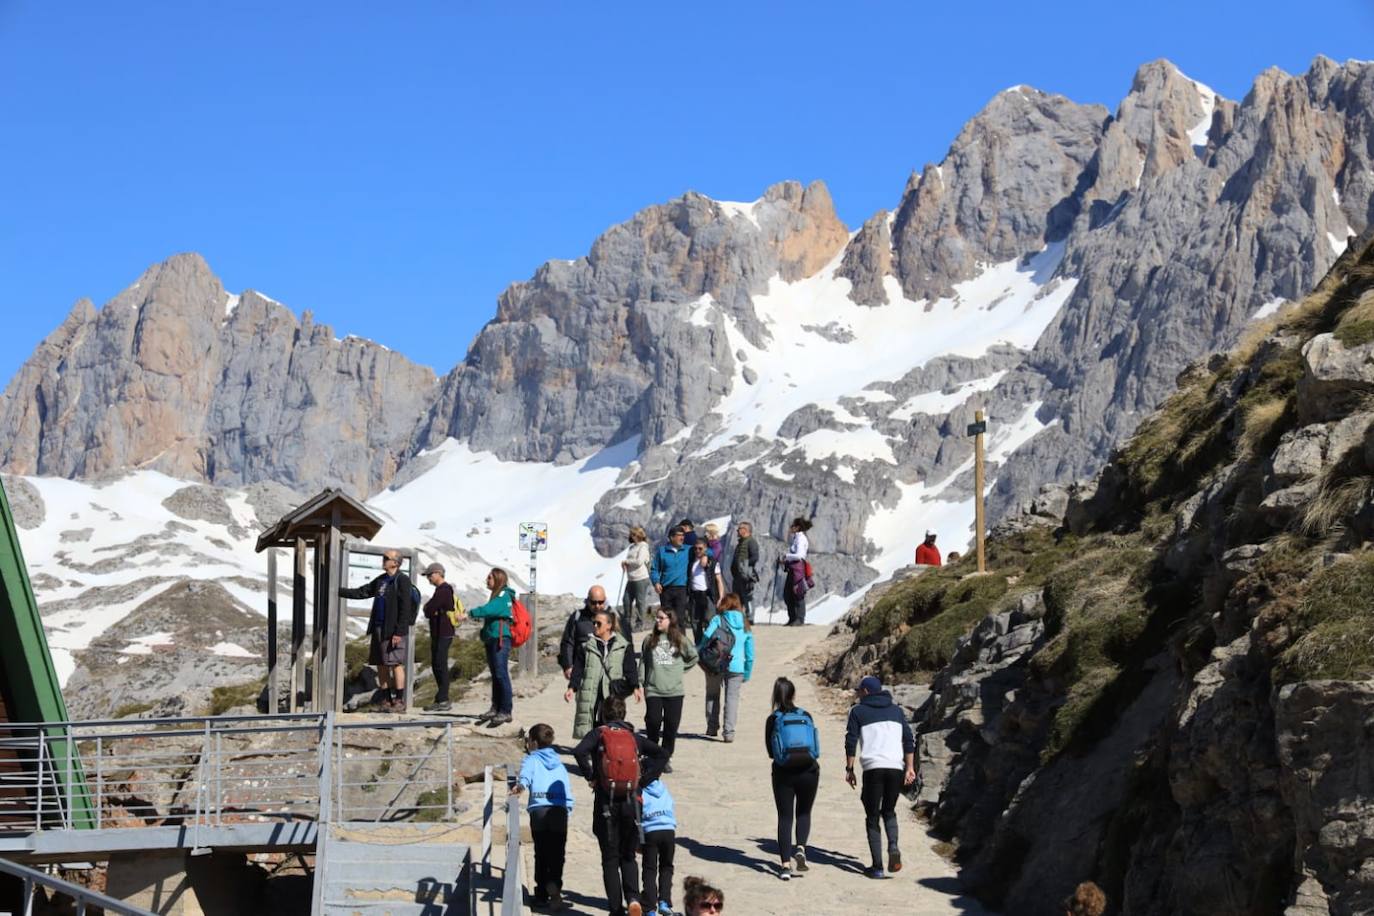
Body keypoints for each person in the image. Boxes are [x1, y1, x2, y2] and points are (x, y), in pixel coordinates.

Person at [573, 695, 668, 916]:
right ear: (624, 714)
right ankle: (634, 899)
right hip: (632, 803)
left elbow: (578, 752)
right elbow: (662, 754)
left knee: (609, 858)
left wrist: (592, 776)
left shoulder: (599, 734)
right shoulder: (634, 738)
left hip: (606, 803)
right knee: (628, 855)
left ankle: (616, 910)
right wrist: (643, 780)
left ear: (603, 715)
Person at [844, 675, 916, 879]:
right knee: (890, 811)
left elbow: (851, 740)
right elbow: (908, 740)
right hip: (895, 767)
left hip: (873, 768)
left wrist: (849, 769)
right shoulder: (896, 711)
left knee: (872, 815)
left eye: (859, 691)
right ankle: (893, 846)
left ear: (866, 692)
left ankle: (877, 867)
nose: (857, 694)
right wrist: (909, 768)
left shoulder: (858, 711)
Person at [339, 549, 417, 711]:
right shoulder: (381, 580)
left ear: (395, 563)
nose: (383, 560)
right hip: (378, 628)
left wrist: (399, 632)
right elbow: (364, 591)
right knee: (381, 664)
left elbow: (405, 608)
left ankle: (399, 701)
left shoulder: (402, 580)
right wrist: (339, 591)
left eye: (386, 558)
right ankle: (387, 700)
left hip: (393, 630)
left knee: (395, 663)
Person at [514, 723, 574, 911]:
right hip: (559, 810)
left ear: (533, 742)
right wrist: (567, 807)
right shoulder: (559, 763)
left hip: (539, 811)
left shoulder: (531, 759)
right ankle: (555, 888)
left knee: (541, 852)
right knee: (557, 853)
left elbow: (525, 776)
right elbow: (566, 786)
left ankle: (540, 895)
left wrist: (520, 787)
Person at [765, 677, 820, 881]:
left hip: (783, 773)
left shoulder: (773, 719)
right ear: (794, 694)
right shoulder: (806, 715)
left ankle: (785, 866)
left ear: (775, 696)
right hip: (809, 771)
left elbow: (771, 752)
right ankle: (801, 847)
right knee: (804, 812)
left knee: (785, 817)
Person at [565, 609, 639, 739]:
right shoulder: (586, 646)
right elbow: (578, 669)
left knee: (610, 724)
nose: (594, 626)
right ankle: (593, 752)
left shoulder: (623, 646)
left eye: (598, 623)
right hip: (591, 691)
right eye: (594, 623)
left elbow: (630, 668)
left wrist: (635, 687)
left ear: (609, 625)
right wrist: (572, 688)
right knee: (591, 724)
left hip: (611, 691)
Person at [639, 608, 697, 772]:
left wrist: (680, 669)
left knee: (671, 726)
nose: (658, 621)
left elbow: (693, 657)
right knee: (653, 722)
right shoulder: (649, 640)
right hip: (654, 689)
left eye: (661, 618)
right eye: (656, 618)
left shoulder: (680, 640)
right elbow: (643, 662)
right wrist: (641, 682)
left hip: (675, 691)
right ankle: (651, 754)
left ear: (670, 620)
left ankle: (665, 757)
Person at [699, 593, 754, 742]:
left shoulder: (718, 619)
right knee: (732, 699)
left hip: (716, 662)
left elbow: (707, 635)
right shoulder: (745, 623)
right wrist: (747, 672)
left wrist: (701, 649)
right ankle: (728, 733)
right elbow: (750, 653)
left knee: (712, 694)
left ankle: (712, 728)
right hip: (737, 666)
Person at [467, 568, 516, 727]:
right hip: (492, 638)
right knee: (495, 674)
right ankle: (496, 708)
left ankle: (506, 710)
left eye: (490, 578)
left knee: (501, 673)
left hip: (500, 638)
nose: (487, 580)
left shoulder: (503, 595)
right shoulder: (496, 595)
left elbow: (490, 610)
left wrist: (471, 613)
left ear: (498, 579)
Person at [559, 586, 634, 682]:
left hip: (611, 674)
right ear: (587, 600)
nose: (597, 606)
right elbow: (568, 643)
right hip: (584, 673)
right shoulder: (578, 617)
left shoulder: (616, 616)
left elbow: (627, 644)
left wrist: (630, 672)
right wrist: (568, 666)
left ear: (605, 600)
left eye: (600, 602)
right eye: (593, 602)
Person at [420, 562, 459, 712]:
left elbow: (429, 609)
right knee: (437, 664)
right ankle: (441, 698)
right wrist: (429, 609)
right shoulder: (441, 590)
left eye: (430, 575)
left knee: (440, 664)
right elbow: (429, 609)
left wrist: (429, 608)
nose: (428, 578)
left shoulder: (444, 589)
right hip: (439, 632)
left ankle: (443, 699)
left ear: (438, 573)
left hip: (443, 632)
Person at [639, 776, 678, 916]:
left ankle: (649, 908)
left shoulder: (640, 790)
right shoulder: (664, 789)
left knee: (650, 869)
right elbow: (672, 806)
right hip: (668, 831)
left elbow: (637, 814)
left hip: (651, 831)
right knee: (667, 867)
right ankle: (664, 902)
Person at [686, 540, 725, 642]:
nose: (697, 551)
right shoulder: (691, 562)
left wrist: (721, 597)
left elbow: (719, 581)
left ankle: (712, 645)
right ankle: (699, 645)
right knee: (695, 622)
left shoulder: (712, 562)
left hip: (707, 596)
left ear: (705, 549)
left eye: (700, 548)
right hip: (694, 595)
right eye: (695, 548)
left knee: (710, 622)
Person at [650, 526, 691, 620]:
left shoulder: (688, 549)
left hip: (682, 589)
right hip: (666, 590)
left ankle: (680, 635)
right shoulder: (662, 551)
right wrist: (656, 582)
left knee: (680, 619)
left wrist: (707, 556)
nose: (682, 538)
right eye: (679, 535)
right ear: (672, 537)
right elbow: (654, 569)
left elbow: (706, 550)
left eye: (683, 535)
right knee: (666, 618)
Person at [779, 517, 813, 626]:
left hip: (798, 570)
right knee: (788, 594)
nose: (790, 528)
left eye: (792, 526)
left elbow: (799, 555)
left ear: (797, 527)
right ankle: (792, 618)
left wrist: (786, 556)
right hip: (792, 569)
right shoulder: (796, 538)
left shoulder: (801, 539)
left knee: (798, 593)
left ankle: (800, 618)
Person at [622, 527, 654, 631]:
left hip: (640, 578)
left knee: (640, 602)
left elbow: (639, 561)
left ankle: (640, 624)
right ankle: (626, 624)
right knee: (626, 600)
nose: (632, 536)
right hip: (631, 578)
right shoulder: (632, 547)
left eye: (634, 534)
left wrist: (627, 562)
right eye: (631, 534)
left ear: (639, 535)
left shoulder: (643, 547)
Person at [729, 521, 760, 625]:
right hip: (737, 576)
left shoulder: (751, 542)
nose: (737, 531)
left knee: (748, 597)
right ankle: (738, 618)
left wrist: (744, 565)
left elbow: (755, 557)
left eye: (740, 529)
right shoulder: (740, 542)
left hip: (746, 575)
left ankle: (750, 618)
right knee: (737, 599)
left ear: (745, 530)